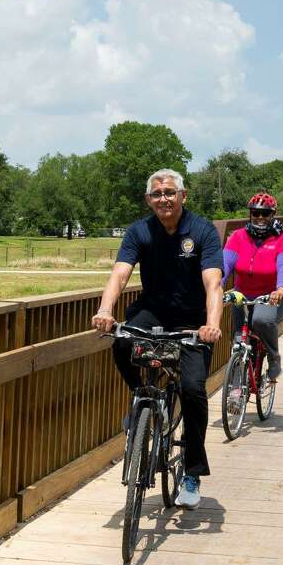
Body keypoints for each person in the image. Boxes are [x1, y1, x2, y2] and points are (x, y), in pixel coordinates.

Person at [92, 169, 223, 510]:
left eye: (169, 193)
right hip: (153, 310)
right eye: (156, 194)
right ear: (148, 199)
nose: (163, 199)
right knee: (122, 340)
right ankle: (141, 397)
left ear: (183, 196)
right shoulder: (139, 231)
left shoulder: (202, 231)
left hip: (193, 318)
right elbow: (120, 273)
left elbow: (213, 282)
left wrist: (211, 323)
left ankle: (193, 472)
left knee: (194, 389)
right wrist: (106, 309)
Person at [221, 192, 283, 380]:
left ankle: (273, 356)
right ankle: (236, 389)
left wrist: (280, 288)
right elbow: (225, 264)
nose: (260, 217)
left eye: (265, 214)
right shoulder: (238, 236)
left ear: (273, 214)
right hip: (243, 296)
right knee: (239, 341)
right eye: (256, 213)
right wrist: (215, 287)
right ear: (250, 214)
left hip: (275, 295)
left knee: (261, 320)